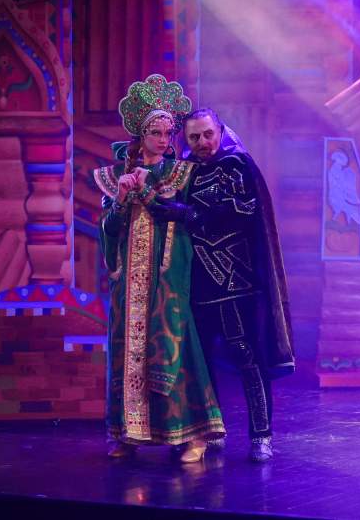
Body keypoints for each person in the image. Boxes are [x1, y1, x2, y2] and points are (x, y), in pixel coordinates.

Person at [149, 108, 294, 462]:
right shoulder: (185, 171)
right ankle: (212, 430)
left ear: (219, 132)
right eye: (194, 137)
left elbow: (243, 211)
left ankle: (261, 435)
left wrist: (188, 214)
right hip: (196, 284)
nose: (202, 142)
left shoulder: (237, 165)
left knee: (247, 356)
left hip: (235, 282)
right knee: (200, 362)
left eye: (207, 134)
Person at [93, 74, 225, 464]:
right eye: (156, 132)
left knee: (172, 348)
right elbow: (109, 230)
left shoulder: (180, 174)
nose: (165, 139)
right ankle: (127, 433)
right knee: (127, 351)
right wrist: (121, 198)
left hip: (167, 278)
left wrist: (146, 191)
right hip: (128, 283)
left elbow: (185, 217)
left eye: (169, 133)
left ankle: (194, 435)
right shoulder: (116, 177)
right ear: (141, 134)